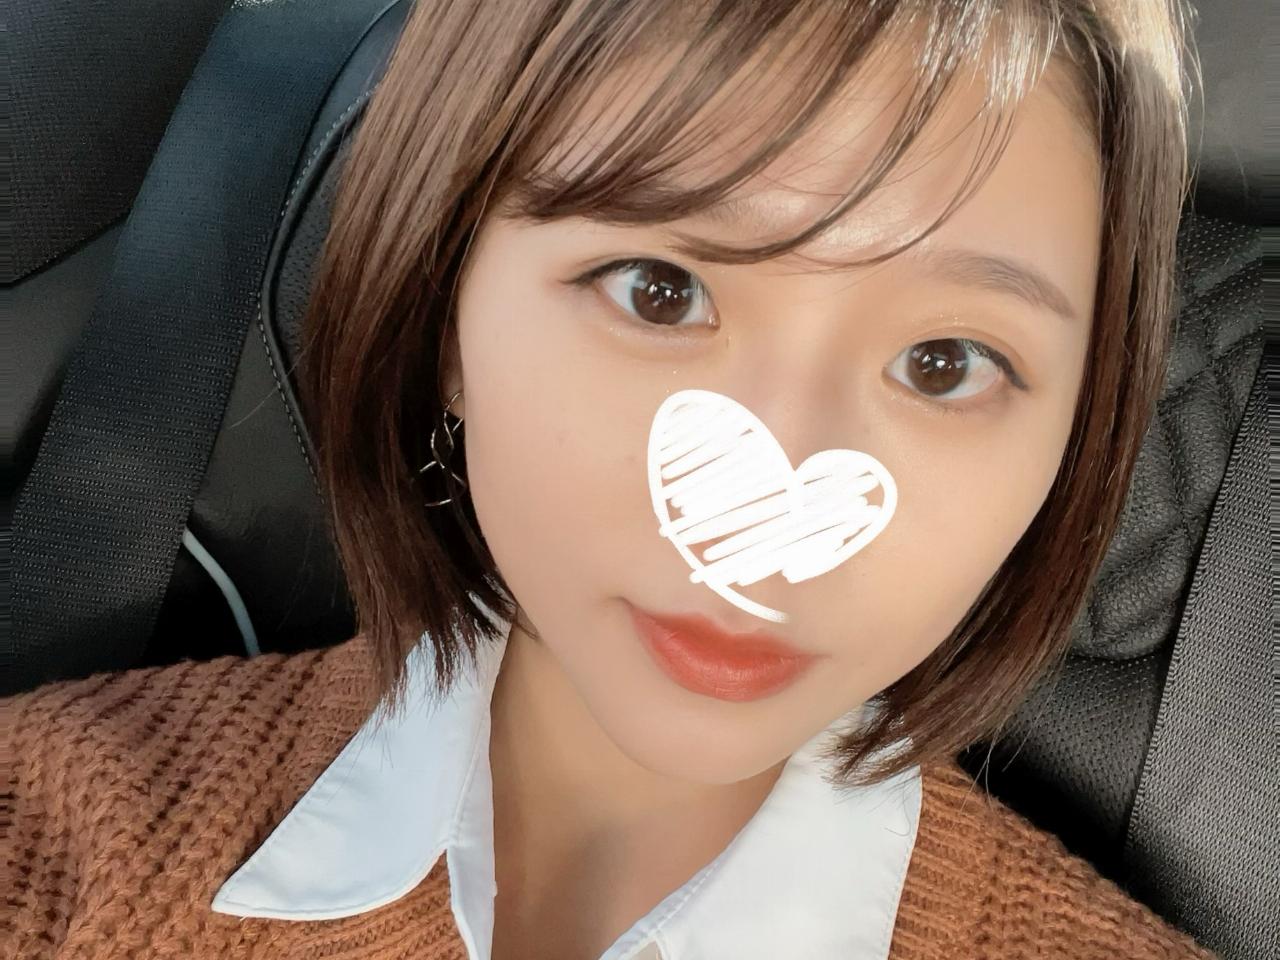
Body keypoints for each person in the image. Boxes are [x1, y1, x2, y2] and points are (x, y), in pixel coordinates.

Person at [4, 1, 1219, 958]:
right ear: (442, 312)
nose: (751, 533)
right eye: (659, 293)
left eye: (943, 363)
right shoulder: (58, 825)